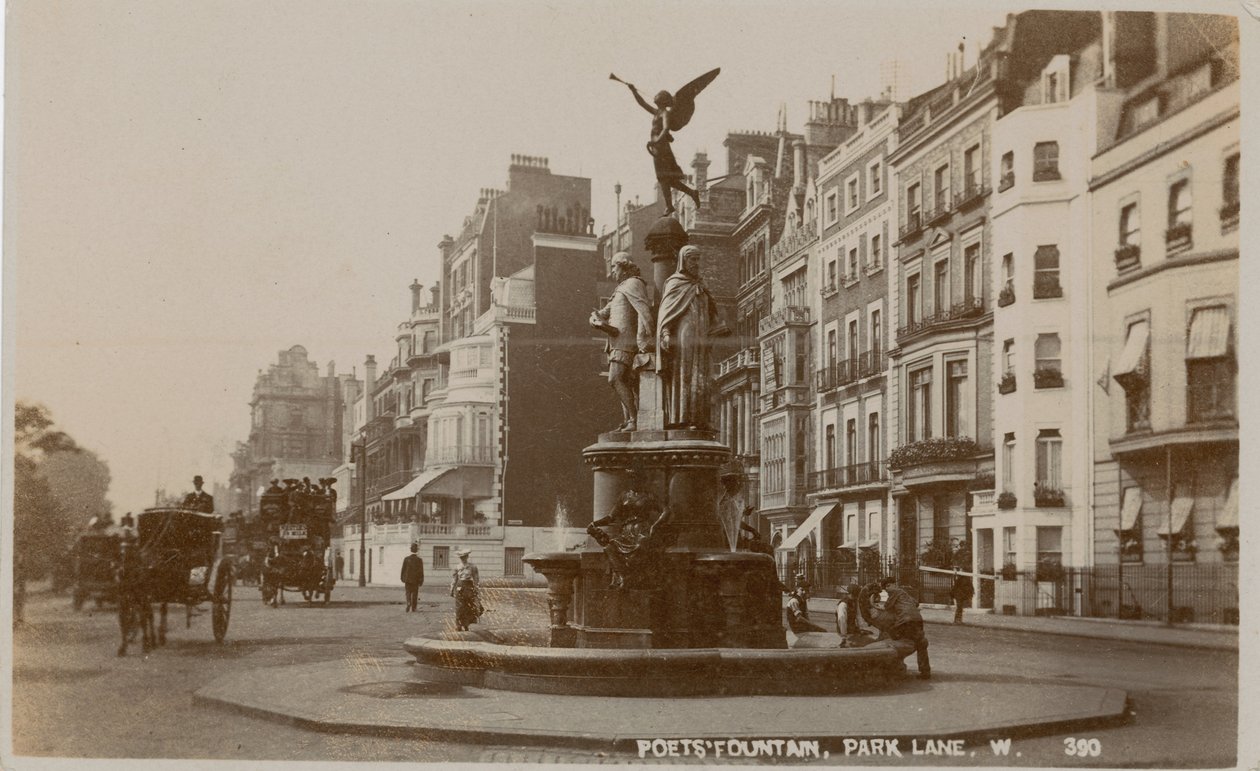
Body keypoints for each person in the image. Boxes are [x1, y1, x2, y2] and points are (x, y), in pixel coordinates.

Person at [656, 245, 722, 430]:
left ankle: (699, 419)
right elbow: (666, 312)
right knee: (685, 374)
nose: (696, 263)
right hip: (684, 335)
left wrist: (715, 325)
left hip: (702, 335)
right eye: (693, 259)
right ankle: (683, 418)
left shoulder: (700, 284)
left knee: (701, 375)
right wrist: (666, 333)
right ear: (683, 260)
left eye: (698, 259)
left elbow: (712, 309)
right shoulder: (674, 282)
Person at [590, 252, 654, 431]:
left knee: (615, 378)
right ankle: (629, 420)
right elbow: (604, 312)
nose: (612, 272)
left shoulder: (634, 283)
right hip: (615, 342)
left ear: (624, 266)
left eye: (614, 267)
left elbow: (644, 310)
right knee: (625, 381)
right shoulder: (620, 289)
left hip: (626, 342)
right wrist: (594, 319)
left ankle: (634, 420)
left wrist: (647, 339)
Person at [880, 576, 931, 679]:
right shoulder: (904, 593)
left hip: (905, 622)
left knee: (891, 637)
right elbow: (915, 603)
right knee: (921, 643)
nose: (887, 590)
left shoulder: (895, 592)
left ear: (892, 585)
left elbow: (887, 607)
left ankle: (895, 667)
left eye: (887, 587)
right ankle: (925, 671)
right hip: (917, 620)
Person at [449, 548, 482, 631]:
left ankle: (466, 624)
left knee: (468, 606)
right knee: (459, 607)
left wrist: (477, 589)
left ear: (467, 557)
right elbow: (454, 579)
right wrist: (452, 589)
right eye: (461, 557)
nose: (463, 559)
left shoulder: (473, 567)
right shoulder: (457, 567)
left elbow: (476, 578)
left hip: (469, 587)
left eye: (464, 557)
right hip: (460, 587)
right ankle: (458, 625)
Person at [401, 543, 425, 612]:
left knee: (408, 592)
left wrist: (402, 578)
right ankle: (414, 608)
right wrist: (421, 580)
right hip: (415, 580)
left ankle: (408, 602)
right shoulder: (419, 560)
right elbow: (421, 571)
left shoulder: (406, 559)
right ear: (416, 550)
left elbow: (403, 569)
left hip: (407, 580)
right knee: (415, 594)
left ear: (410, 550)